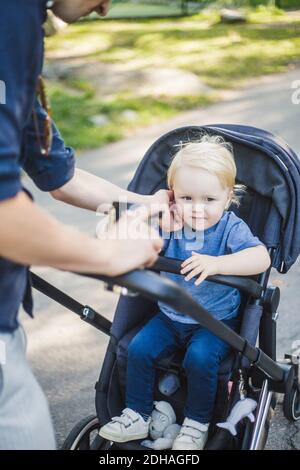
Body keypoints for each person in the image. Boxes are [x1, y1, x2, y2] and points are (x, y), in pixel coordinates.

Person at [0, 0, 170, 450]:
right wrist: (109, 256)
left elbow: (57, 172)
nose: (106, 9)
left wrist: (143, 203)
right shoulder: (11, 16)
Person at [99, 135, 271, 450]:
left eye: (209, 200)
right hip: (170, 313)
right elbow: (125, 235)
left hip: (214, 320)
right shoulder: (169, 222)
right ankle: (136, 414)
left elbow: (261, 258)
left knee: (201, 357)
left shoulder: (231, 228)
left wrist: (219, 264)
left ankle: (196, 423)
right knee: (138, 348)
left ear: (228, 196)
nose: (197, 208)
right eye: (186, 198)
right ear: (172, 195)